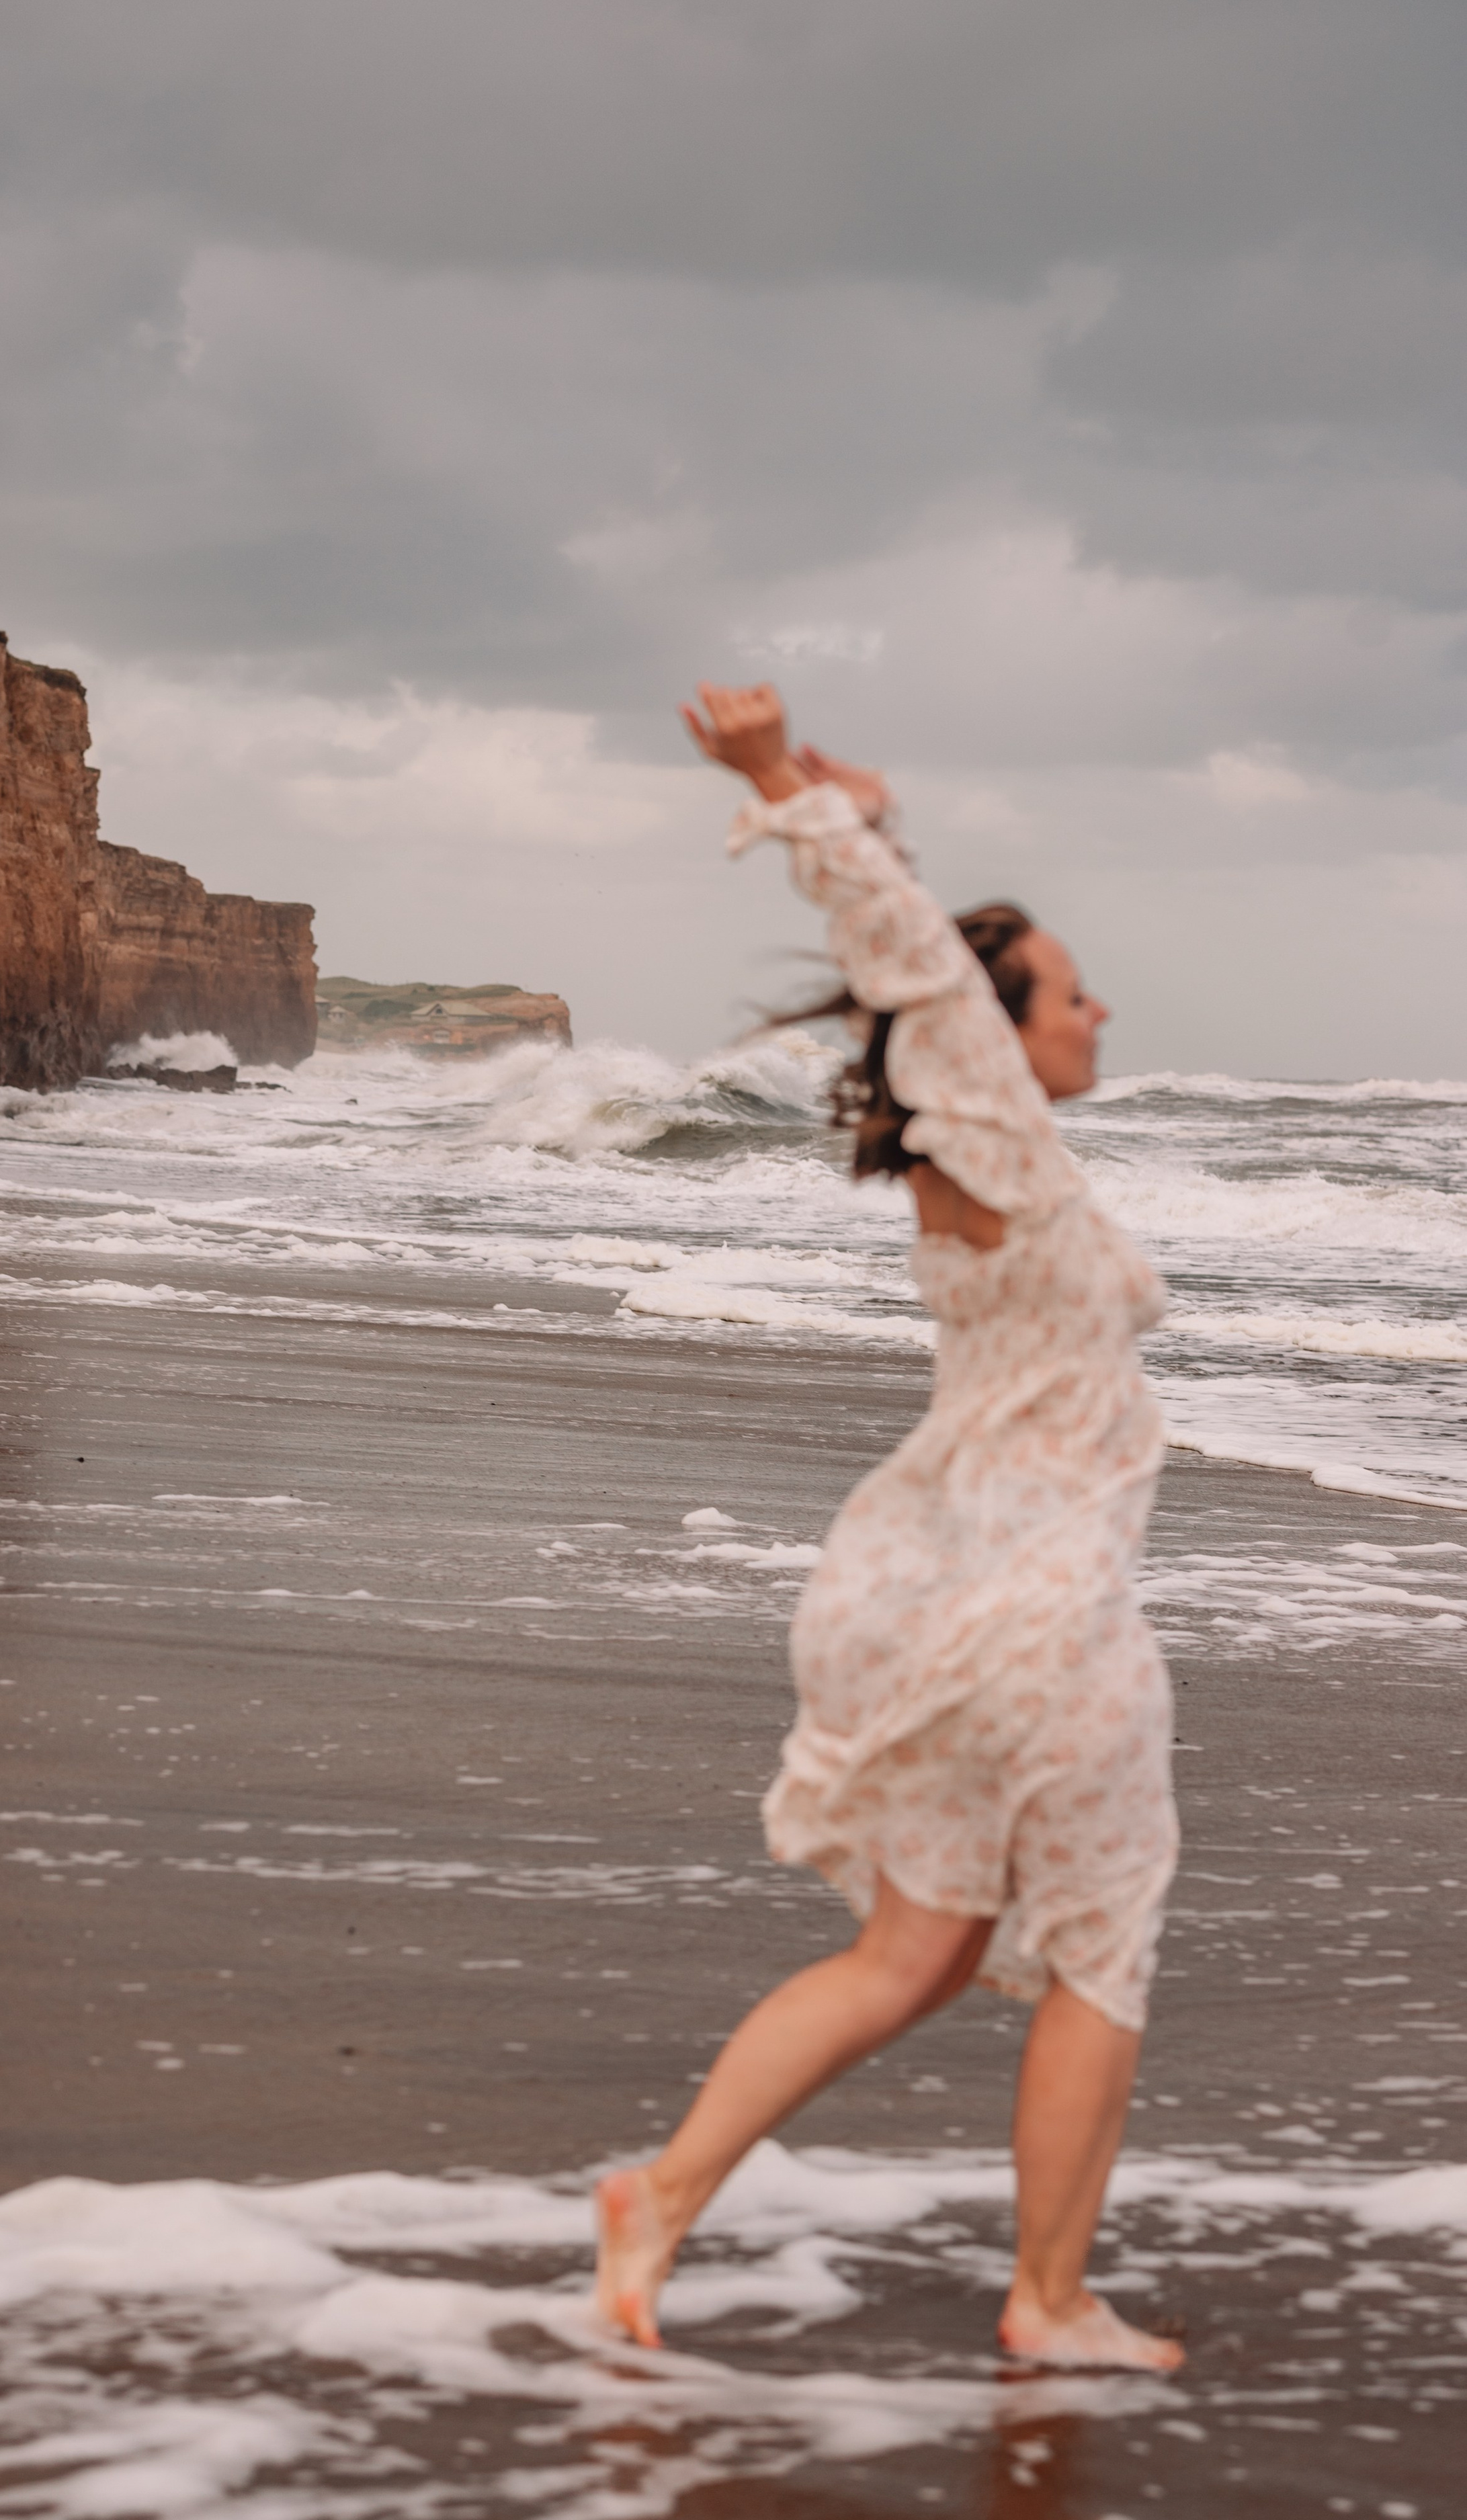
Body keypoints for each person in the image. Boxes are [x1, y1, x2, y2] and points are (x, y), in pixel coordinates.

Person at [595, 680, 1183, 2374]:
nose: (1101, 1006)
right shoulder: (1002, 1149)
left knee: (911, 1956)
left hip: (929, 1599)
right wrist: (787, 783)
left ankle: (660, 2197)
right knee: (1099, 1949)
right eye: (1073, 991)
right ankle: (1049, 2302)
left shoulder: (975, 1162)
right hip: (1038, 1619)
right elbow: (926, 970)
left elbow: (928, 984)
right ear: (1011, 1036)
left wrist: (861, 815)